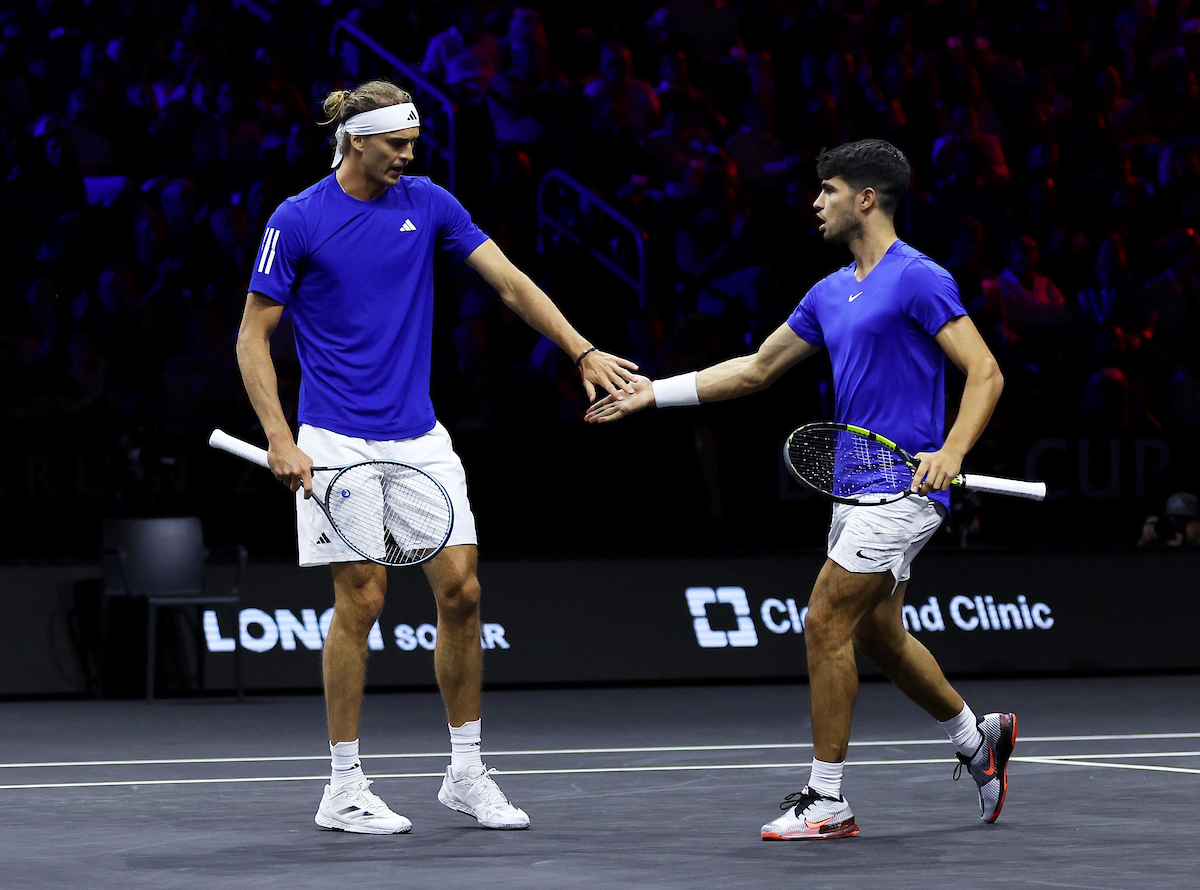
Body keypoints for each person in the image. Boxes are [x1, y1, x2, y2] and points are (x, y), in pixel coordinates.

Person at [236, 80, 637, 834]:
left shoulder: (431, 204)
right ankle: (344, 786)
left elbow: (513, 284)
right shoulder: (298, 220)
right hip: (336, 440)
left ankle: (465, 772)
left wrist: (579, 348)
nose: (409, 156)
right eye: (396, 144)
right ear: (358, 141)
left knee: (463, 594)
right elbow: (251, 336)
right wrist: (281, 437)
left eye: (413, 144)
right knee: (363, 600)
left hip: (418, 436)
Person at [586, 139, 1016, 839]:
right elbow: (757, 369)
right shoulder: (827, 292)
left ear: (866, 199)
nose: (816, 202)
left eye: (829, 189)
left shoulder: (919, 279)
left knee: (822, 621)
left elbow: (985, 371)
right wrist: (651, 395)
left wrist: (952, 449)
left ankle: (828, 800)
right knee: (878, 633)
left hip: (902, 489)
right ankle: (977, 740)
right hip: (850, 488)